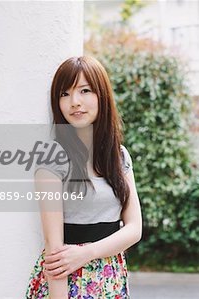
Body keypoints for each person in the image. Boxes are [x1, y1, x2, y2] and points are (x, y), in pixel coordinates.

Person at [25, 56, 142, 299]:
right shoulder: (52, 156)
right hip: (68, 284)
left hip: (111, 279)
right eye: (64, 94)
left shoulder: (118, 156)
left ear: (102, 95)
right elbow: (54, 249)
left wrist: (87, 253)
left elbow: (134, 228)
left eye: (85, 90)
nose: (74, 102)